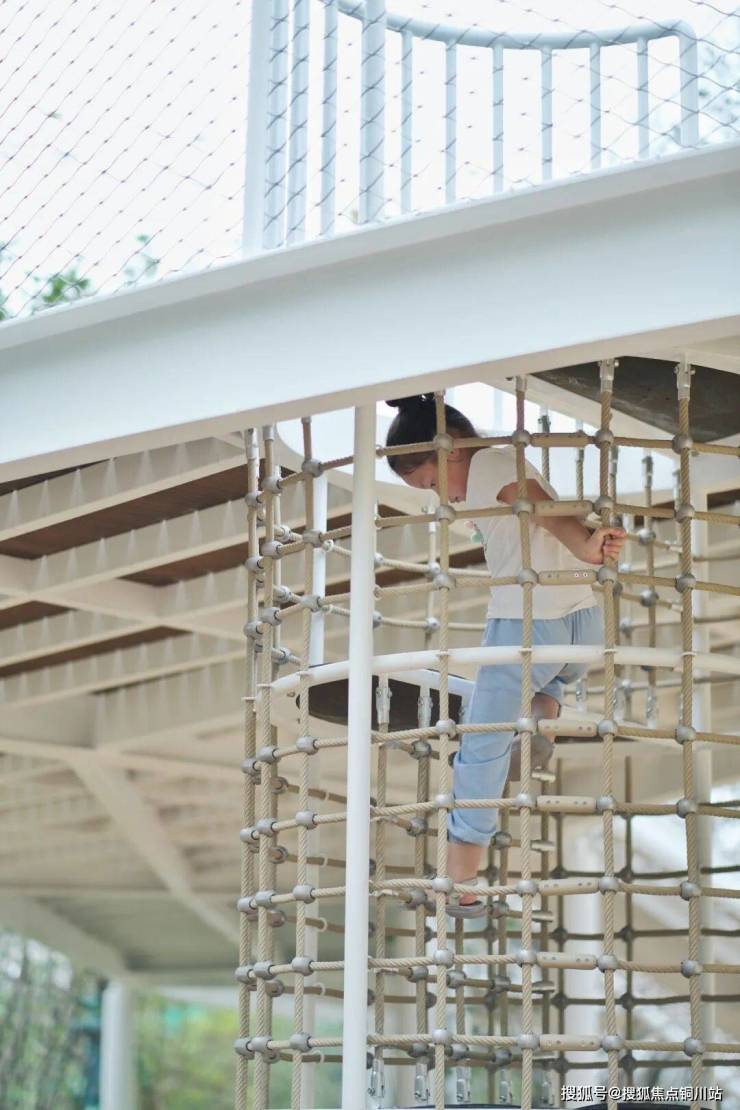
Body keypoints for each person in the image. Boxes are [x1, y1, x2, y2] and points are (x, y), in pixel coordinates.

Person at [385, 393, 626, 916]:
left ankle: (461, 880)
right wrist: (587, 545)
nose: (439, 496)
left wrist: (583, 544)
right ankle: (540, 722)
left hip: (527, 623)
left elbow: (538, 507)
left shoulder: (492, 465)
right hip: (579, 624)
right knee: (544, 684)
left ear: (450, 450)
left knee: (481, 743)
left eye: (430, 483)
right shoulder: (492, 470)